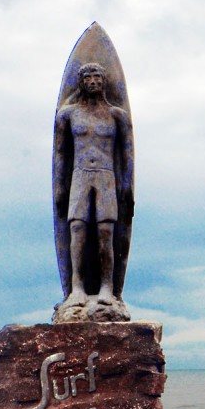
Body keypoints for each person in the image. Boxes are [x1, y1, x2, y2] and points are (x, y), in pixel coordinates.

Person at [53, 62, 133, 307]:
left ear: (104, 81)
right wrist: (59, 186)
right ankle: (76, 289)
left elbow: (128, 153)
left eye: (98, 77)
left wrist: (127, 185)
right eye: (88, 78)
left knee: (105, 231)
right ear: (81, 82)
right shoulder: (69, 114)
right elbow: (60, 154)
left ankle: (107, 288)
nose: (93, 82)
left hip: (106, 175)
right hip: (80, 175)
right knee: (77, 228)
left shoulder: (117, 115)